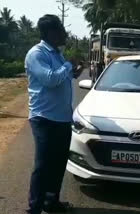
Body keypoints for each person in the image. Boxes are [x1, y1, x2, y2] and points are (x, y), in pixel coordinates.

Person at [25, 14, 82, 214]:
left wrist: (72, 71)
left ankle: (51, 202)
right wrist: (68, 65)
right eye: (60, 30)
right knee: (43, 165)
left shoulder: (56, 54)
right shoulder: (37, 54)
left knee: (58, 163)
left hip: (62, 118)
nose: (64, 34)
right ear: (49, 33)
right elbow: (50, 79)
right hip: (44, 118)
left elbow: (61, 77)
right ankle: (35, 207)